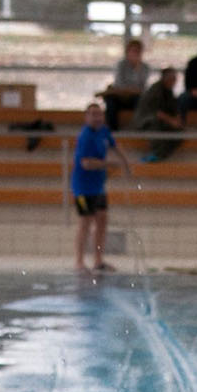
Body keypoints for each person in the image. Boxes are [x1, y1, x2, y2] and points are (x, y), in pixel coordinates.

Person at [71, 101, 132, 273]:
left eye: (99, 114)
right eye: (93, 114)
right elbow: (86, 163)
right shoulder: (85, 137)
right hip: (82, 189)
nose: (97, 118)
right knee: (85, 222)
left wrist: (125, 163)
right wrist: (109, 164)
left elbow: (115, 145)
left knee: (102, 220)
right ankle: (79, 261)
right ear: (86, 117)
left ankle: (98, 260)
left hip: (98, 187)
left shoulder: (104, 131)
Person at [133, 66, 184, 162]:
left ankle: (163, 154)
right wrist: (172, 121)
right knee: (157, 126)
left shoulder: (169, 91)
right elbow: (156, 112)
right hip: (146, 120)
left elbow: (173, 108)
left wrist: (177, 119)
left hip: (160, 119)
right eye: (171, 78)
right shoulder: (156, 90)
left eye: (175, 79)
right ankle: (155, 153)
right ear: (165, 78)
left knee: (178, 133)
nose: (174, 81)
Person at [102, 38, 148, 132]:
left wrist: (131, 90)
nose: (136, 53)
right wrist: (131, 90)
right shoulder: (121, 65)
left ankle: (139, 127)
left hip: (134, 98)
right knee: (111, 101)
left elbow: (142, 88)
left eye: (138, 51)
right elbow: (120, 85)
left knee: (142, 101)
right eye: (133, 51)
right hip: (119, 96)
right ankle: (112, 130)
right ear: (127, 52)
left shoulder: (144, 67)